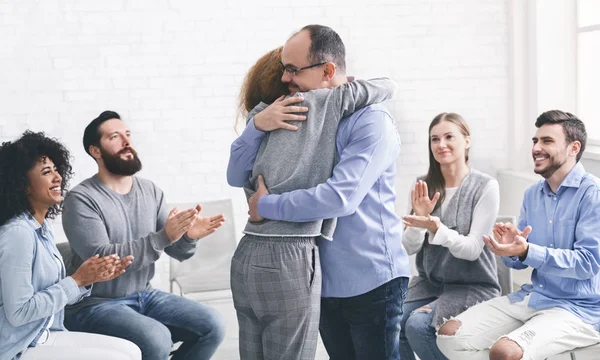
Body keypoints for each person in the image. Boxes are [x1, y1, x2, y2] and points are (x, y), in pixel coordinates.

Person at [229, 24, 410, 360]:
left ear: (328, 70)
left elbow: (340, 197)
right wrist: (256, 125)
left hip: (370, 280)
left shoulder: (372, 122)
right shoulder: (301, 115)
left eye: (294, 70)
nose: (286, 79)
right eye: (285, 69)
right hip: (317, 277)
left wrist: (267, 205)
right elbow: (238, 172)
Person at [61, 111, 227, 360]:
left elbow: (175, 250)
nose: (127, 142)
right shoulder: (81, 199)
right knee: (157, 338)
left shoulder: (150, 191)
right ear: (95, 151)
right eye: (115, 137)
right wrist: (164, 236)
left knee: (213, 325)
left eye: (127, 135)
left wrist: (188, 237)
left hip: (144, 294)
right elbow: (104, 260)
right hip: (94, 304)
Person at [437, 110, 600, 360]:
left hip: (578, 308)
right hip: (535, 296)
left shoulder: (592, 194)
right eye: (535, 141)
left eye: (547, 141)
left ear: (573, 148)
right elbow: (521, 254)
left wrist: (527, 251)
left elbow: (589, 263)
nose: (536, 147)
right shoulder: (532, 194)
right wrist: (510, 250)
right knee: (449, 335)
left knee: (504, 352)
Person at [0, 131, 140, 360]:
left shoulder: (41, 229)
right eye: (47, 172)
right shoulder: (18, 234)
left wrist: (91, 278)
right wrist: (77, 280)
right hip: (19, 347)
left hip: (43, 334)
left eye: (56, 169)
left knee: (132, 351)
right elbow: (19, 312)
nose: (57, 177)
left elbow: (55, 294)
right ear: (23, 185)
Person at [399, 112, 501, 360]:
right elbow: (408, 248)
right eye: (434, 139)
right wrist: (419, 223)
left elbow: (473, 249)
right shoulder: (423, 184)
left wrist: (436, 228)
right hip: (429, 283)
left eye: (448, 137)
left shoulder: (486, 186)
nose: (441, 144)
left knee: (417, 326)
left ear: (467, 141)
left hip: (473, 285)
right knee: (390, 318)